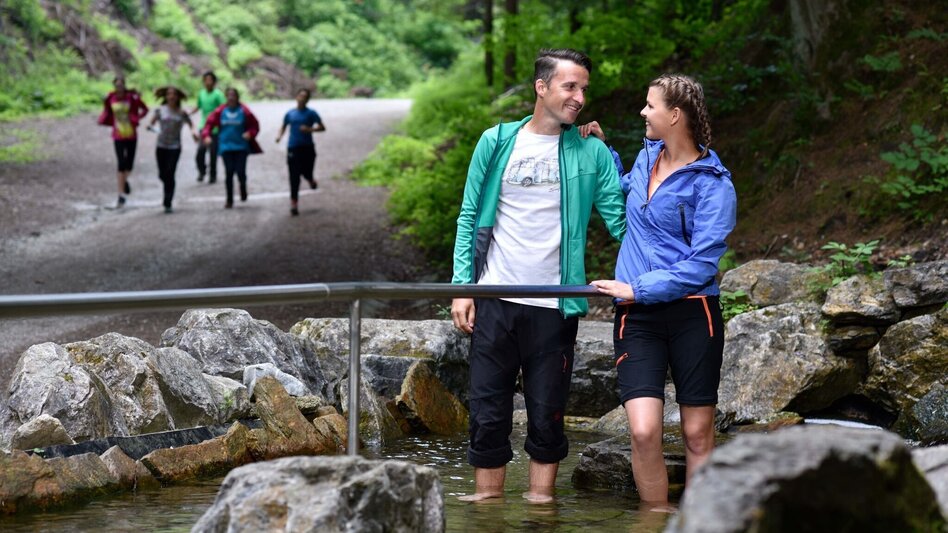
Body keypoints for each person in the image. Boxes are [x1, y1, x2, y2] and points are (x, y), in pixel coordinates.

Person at [450, 48, 626, 503]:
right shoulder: (496, 141)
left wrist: (616, 155)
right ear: (541, 87)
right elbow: (470, 216)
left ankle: (539, 510)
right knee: (488, 412)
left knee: (548, 414)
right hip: (494, 296)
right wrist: (461, 289)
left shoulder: (591, 151)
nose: (579, 97)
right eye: (571, 86)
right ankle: (487, 509)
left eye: (584, 88)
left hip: (555, 303)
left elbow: (624, 221)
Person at [580, 74, 737, 510]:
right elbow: (627, 191)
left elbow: (703, 264)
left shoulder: (714, 184)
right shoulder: (647, 157)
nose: (643, 112)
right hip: (638, 316)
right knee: (645, 430)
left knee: (696, 433)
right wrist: (603, 150)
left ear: (674, 115)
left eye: (650, 106)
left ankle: (700, 521)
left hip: (693, 313)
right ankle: (654, 520)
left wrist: (638, 287)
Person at [201, 88, 261, 209]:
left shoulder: (244, 111)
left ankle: (242, 187)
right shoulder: (220, 111)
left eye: (233, 95)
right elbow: (209, 124)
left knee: (240, 171)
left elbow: (255, 126)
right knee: (228, 173)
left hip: (241, 146)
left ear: (237, 97)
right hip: (226, 146)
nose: (231, 98)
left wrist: (250, 133)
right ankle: (229, 199)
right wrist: (206, 135)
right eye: (228, 95)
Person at [98, 75, 149, 208]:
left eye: (121, 85)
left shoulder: (132, 98)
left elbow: (145, 109)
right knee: (121, 163)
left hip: (131, 134)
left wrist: (137, 118)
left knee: (129, 164)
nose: (119, 87)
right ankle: (120, 195)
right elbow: (107, 112)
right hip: (118, 135)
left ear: (124, 85)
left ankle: (124, 181)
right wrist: (104, 119)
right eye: (117, 85)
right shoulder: (111, 98)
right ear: (114, 86)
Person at [275, 88, 326, 216]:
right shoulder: (290, 113)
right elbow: (283, 126)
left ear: (308, 99)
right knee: (294, 175)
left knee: (306, 171)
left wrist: (310, 129)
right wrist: (279, 136)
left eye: (305, 96)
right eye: (300, 95)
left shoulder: (311, 113)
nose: (302, 98)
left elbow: (322, 127)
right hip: (293, 147)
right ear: (296, 97)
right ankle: (294, 202)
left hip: (308, 147)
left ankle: (310, 179)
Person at [148, 86, 197, 213]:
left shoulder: (181, 112)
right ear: (165, 96)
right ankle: (167, 187)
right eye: (169, 94)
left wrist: (193, 133)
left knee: (170, 172)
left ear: (178, 97)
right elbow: (150, 125)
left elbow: (191, 124)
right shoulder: (160, 110)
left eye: (174, 94)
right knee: (162, 174)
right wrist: (155, 130)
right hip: (161, 145)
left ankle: (167, 201)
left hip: (175, 146)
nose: (171, 96)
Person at [191, 71, 226, 183]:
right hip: (204, 126)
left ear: (214, 82)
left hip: (215, 128)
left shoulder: (218, 95)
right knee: (200, 151)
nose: (208, 82)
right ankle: (202, 171)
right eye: (206, 80)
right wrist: (189, 113)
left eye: (210, 80)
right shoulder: (202, 94)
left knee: (213, 153)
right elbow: (198, 105)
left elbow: (223, 108)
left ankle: (213, 175)